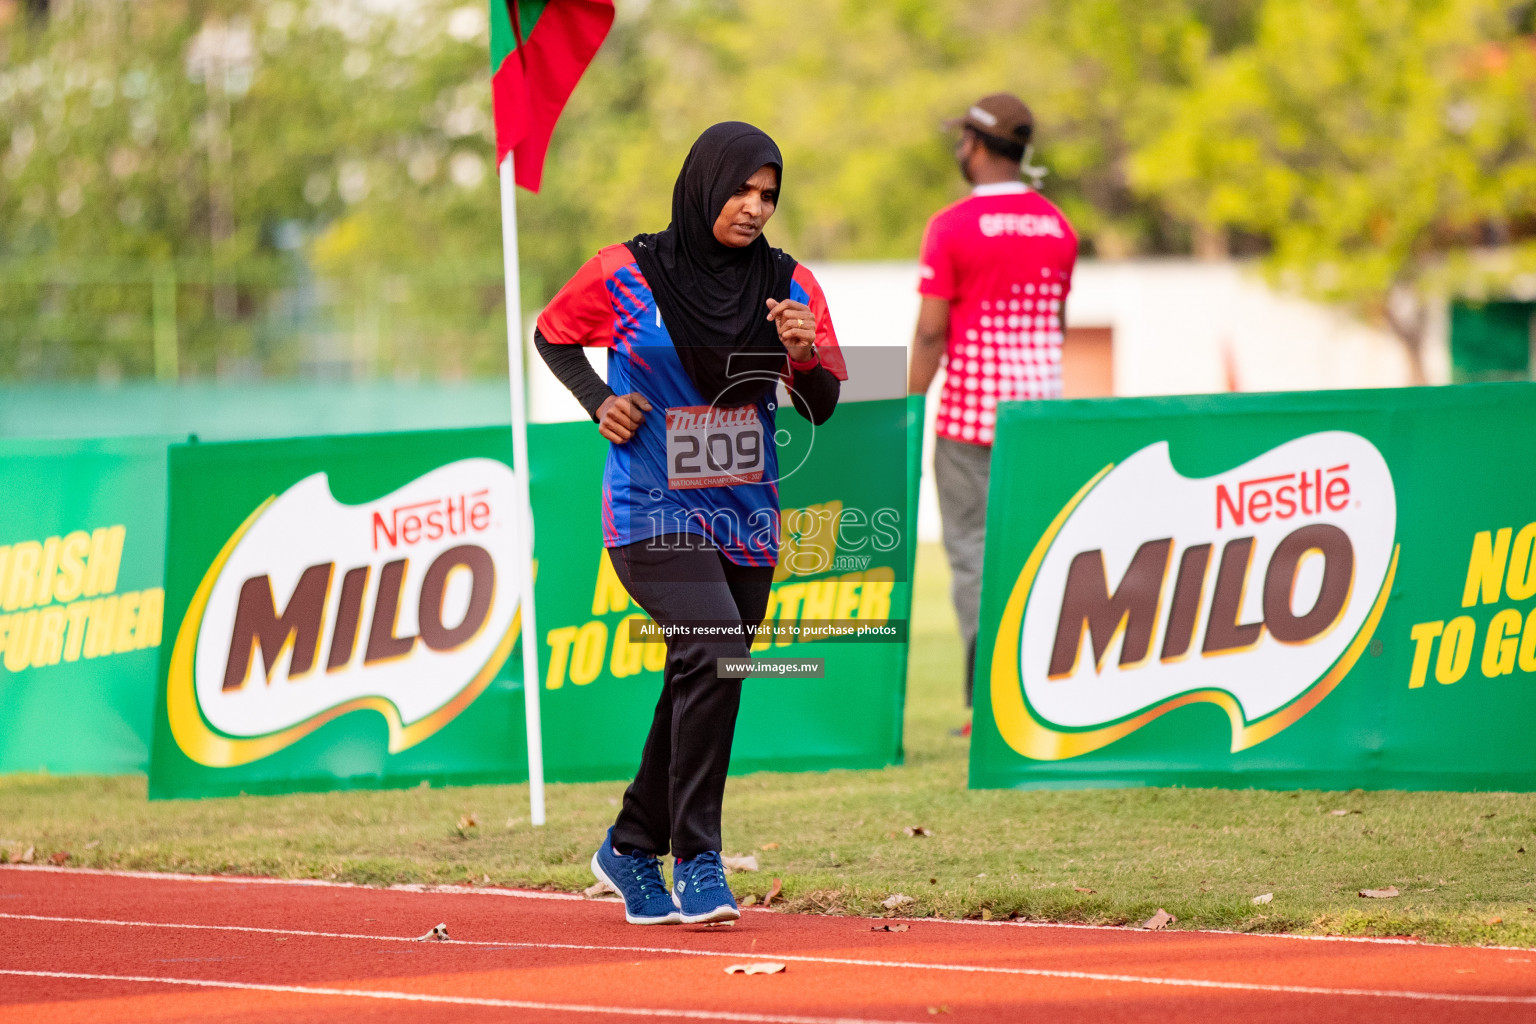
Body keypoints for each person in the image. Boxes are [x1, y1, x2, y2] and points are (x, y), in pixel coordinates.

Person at [534, 122, 846, 925]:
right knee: (713, 650)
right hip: (650, 506)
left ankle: (631, 845)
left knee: (704, 672)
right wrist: (598, 400)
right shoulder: (625, 271)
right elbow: (552, 332)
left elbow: (822, 404)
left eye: (769, 195)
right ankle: (699, 856)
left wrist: (803, 354)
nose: (755, 208)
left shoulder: (791, 285)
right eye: (743, 189)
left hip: (747, 511)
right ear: (706, 183)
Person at [907, 93, 1078, 721]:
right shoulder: (1058, 227)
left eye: (963, 141)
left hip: (970, 422)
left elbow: (932, 333)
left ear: (977, 147)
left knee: (973, 555)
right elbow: (1054, 325)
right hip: (1038, 421)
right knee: (1035, 553)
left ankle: (987, 705)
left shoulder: (951, 227)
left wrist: (908, 407)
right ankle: (1041, 694)